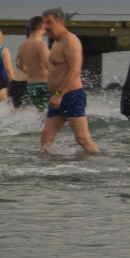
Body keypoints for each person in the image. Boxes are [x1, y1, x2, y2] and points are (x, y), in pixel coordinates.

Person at [40, 8, 99, 153]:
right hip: (57, 98)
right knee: (46, 138)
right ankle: (48, 169)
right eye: (44, 22)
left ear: (61, 22)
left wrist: (59, 94)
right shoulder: (56, 42)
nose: (45, 26)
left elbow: (75, 71)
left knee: (82, 138)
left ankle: (98, 164)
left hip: (70, 95)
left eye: (49, 22)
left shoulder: (70, 41)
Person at [13, 15, 51, 111]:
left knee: (41, 112)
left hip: (31, 87)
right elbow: (49, 65)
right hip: (45, 87)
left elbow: (20, 66)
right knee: (62, 94)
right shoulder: (41, 44)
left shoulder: (23, 45)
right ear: (42, 27)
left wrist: (31, 72)